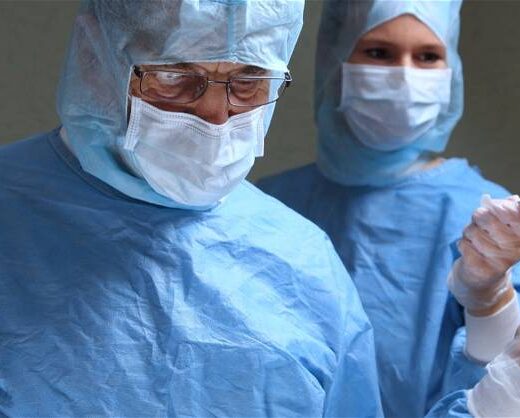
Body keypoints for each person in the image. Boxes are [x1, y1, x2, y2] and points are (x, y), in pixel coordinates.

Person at [257, 1, 520, 417]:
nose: (405, 75)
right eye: (378, 52)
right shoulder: (263, 212)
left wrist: (490, 303)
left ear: (451, 70)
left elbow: (518, 401)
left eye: (428, 56)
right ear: (334, 59)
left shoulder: (500, 231)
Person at [0, 1, 385, 416]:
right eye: (175, 77)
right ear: (97, 59)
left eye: (248, 81)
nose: (215, 118)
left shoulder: (305, 263)